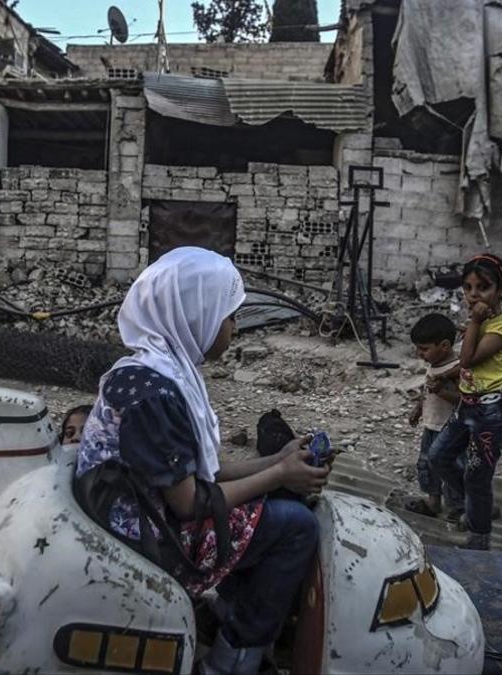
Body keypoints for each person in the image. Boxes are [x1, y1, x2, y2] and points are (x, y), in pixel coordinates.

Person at [75, 247, 329, 675]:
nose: (233, 328)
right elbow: (191, 503)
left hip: (141, 511)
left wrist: (278, 461)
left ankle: (225, 613)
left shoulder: (153, 371)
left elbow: (202, 474)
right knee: (296, 526)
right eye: (229, 317)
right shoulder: (155, 393)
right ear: (197, 315)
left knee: (269, 505)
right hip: (145, 536)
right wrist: (278, 475)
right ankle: (235, 655)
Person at [427, 254, 502, 551]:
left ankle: (479, 540)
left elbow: (467, 359)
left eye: (483, 287)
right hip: (469, 405)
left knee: (478, 475)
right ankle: (479, 506)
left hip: (492, 413)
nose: (473, 294)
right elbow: (466, 367)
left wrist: (474, 321)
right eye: (467, 288)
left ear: (501, 289)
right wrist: (446, 376)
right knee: (439, 456)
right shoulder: (484, 322)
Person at [407, 313, 462, 518]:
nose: (419, 353)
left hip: (450, 430)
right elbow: (427, 391)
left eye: (424, 348)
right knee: (427, 465)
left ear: (445, 346)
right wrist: (419, 409)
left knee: (450, 468)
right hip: (431, 425)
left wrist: (442, 392)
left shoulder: (455, 370)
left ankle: (458, 507)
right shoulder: (434, 365)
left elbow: (463, 399)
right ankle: (433, 502)